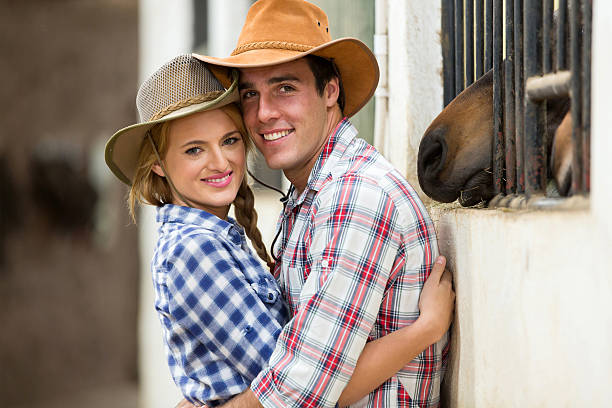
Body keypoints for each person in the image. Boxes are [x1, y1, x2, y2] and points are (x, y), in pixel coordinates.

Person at [105, 54, 454, 407]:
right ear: (158, 166)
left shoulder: (346, 195)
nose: (220, 161)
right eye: (194, 149)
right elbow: (295, 386)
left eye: (229, 141)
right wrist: (425, 330)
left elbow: (297, 384)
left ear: (331, 91)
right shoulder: (197, 251)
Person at [193, 0, 453, 406]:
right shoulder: (312, 193)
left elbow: (296, 393)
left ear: (330, 89)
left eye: (285, 88)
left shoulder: (355, 196)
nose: (263, 113)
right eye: (249, 94)